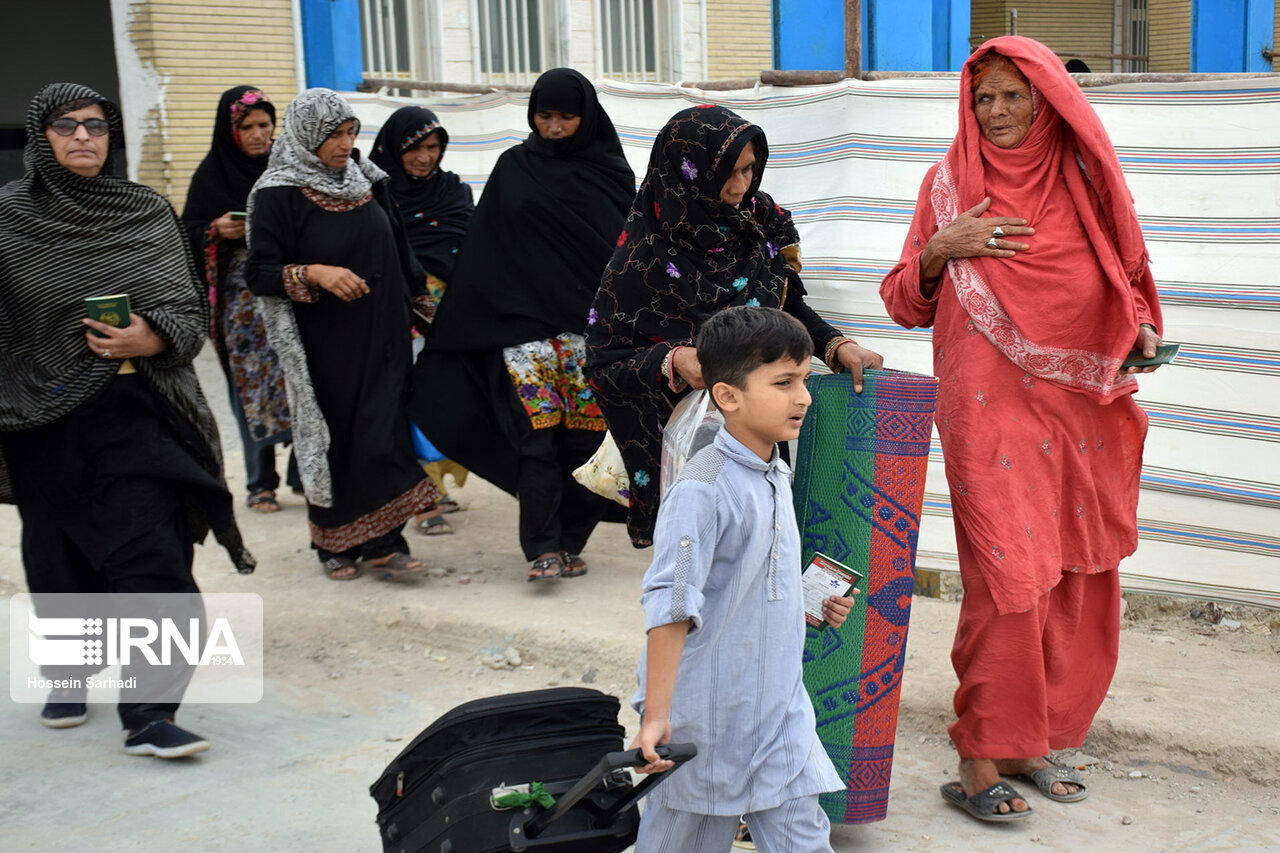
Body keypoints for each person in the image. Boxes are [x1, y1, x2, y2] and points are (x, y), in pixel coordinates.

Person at [878, 36, 1164, 822]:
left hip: (1078, 411)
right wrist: (941, 249)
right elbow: (902, 300)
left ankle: (1029, 740)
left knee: (1070, 573)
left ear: (1047, 100)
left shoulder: (1083, 180)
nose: (997, 112)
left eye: (1013, 96)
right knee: (1008, 576)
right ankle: (977, 757)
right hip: (986, 412)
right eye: (983, 98)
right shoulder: (947, 186)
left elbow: (1124, 278)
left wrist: (1137, 328)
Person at [0, 82, 255, 757]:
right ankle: (70, 669)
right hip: (42, 414)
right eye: (67, 125)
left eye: (97, 125)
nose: (84, 137)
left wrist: (154, 336)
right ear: (41, 135)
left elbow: (184, 307)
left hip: (137, 407)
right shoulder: (7, 217)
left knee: (155, 553)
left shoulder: (142, 210)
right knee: (58, 554)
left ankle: (148, 710)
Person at [586, 104, 883, 548]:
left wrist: (836, 346)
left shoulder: (753, 227)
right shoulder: (640, 261)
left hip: (760, 436)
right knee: (697, 575)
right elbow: (604, 363)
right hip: (691, 453)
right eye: (727, 172)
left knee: (769, 554)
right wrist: (672, 359)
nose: (740, 187)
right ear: (687, 173)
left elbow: (786, 310)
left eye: (749, 170)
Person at [631, 306, 857, 851]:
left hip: (778, 707)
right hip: (710, 714)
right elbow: (672, 603)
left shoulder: (776, 471)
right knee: (685, 838)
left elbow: (751, 582)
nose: (803, 397)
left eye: (804, 380)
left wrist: (808, 606)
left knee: (804, 836)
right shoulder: (703, 489)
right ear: (728, 396)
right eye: (784, 383)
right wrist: (658, 717)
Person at [415, 68, 634, 581]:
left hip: (588, 338)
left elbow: (623, 257)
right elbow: (487, 249)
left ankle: (570, 541)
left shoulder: (611, 175)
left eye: (565, 116)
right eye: (544, 115)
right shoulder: (514, 167)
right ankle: (542, 547)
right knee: (536, 438)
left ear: (586, 117)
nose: (554, 127)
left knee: (585, 441)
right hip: (526, 338)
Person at [245, 88, 440, 581]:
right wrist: (313, 272)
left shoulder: (369, 181)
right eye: (333, 134)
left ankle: (384, 540)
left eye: (350, 132)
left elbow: (400, 248)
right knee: (337, 436)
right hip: (324, 341)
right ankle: (332, 539)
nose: (343, 143)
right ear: (306, 135)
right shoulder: (276, 192)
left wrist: (424, 304)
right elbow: (260, 272)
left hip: (385, 331)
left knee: (383, 430)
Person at [181, 85, 296, 513]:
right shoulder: (211, 176)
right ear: (230, 130)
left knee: (303, 378)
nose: (257, 134)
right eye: (246, 126)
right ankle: (260, 482)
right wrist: (214, 230)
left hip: (289, 293)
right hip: (240, 304)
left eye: (265, 124)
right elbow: (184, 232)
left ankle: (306, 474)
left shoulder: (289, 168)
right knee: (248, 385)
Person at [370, 106, 476, 534]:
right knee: (404, 401)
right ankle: (420, 500)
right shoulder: (376, 192)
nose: (424, 157)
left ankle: (436, 486)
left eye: (433, 147)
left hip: (450, 316)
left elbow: (472, 246)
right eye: (414, 148)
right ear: (395, 150)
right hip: (398, 314)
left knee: (442, 398)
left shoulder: (453, 191)